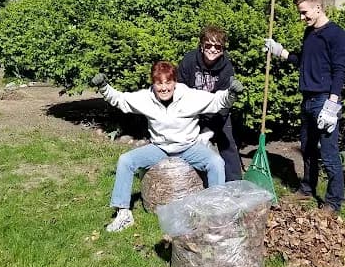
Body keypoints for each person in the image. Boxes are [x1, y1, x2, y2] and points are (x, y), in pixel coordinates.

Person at [90, 61, 245, 232]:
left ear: (175, 83)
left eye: (168, 82)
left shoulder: (189, 97)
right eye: (159, 83)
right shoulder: (145, 98)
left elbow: (217, 101)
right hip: (160, 148)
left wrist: (231, 93)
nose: (164, 88)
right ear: (153, 84)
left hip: (189, 146)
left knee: (215, 162)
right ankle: (123, 213)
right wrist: (104, 87)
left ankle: (215, 212)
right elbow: (120, 99)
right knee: (126, 160)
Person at [264, 0, 345, 216]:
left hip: (325, 101)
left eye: (304, 12)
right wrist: (280, 51)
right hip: (308, 99)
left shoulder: (336, 34)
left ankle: (333, 203)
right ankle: (306, 189)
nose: (302, 18)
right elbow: (304, 61)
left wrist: (332, 105)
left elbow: (339, 71)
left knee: (329, 155)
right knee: (308, 149)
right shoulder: (309, 33)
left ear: (318, 7)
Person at [177, 25, 242, 182]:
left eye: (218, 46)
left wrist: (210, 131)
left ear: (223, 49)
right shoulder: (189, 60)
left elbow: (225, 104)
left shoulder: (227, 67)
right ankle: (187, 180)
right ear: (201, 46)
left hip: (217, 112)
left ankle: (235, 184)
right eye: (208, 45)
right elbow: (179, 89)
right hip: (192, 111)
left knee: (228, 144)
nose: (212, 49)